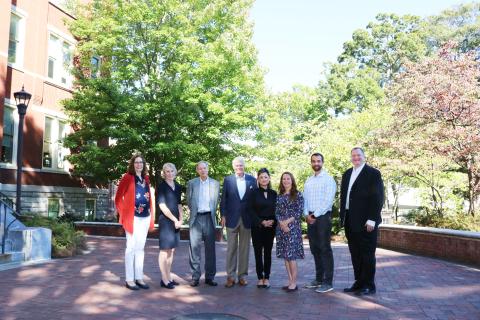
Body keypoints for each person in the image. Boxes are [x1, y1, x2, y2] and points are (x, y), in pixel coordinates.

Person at [340, 147, 384, 296]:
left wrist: (372, 219)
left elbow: (377, 197)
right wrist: (342, 218)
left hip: (367, 222)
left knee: (367, 254)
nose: (356, 158)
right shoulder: (347, 174)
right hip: (350, 221)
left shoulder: (373, 174)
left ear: (364, 156)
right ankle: (359, 283)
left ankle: (369, 285)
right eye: (353, 155)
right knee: (355, 254)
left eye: (358, 155)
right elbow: (344, 198)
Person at [115, 153, 155, 291]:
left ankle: (139, 277)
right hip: (132, 218)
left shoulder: (146, 179)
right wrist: (124, 214)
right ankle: (129, 279)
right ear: (132, 164)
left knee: (140, 249)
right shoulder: (127, 177)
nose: (139, 165)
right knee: (130, 248)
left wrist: (151, 218)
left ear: (144, 165)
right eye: (136, 162)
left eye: (141, 162)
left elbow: (149, 198)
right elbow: (118, 198)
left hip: (145, 217)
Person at [220, 156, 257, 287]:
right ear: (233, 167)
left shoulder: (252, 180)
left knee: (244, 249)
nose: (239, 167)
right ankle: (230, 276)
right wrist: (223, 215)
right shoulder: (228, 180)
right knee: (231, 249)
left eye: (241, 165)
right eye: (237, 165)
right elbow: (223, 199)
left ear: (244, 166)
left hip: (247, 219)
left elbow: (254, 201)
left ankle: (242, 276)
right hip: (231, 218)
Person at [303, 153, 337, 293]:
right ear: (311, 163)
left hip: (322, 217)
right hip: (310, 218)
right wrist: (306, 215)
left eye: (318, 161)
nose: (316, 163)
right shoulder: (309, 180)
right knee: (315, 249)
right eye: (313, 161)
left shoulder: (329, 180)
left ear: (322, 162)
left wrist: (314, 215)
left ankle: (328, 282)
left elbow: (328, 201)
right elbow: (304, 199)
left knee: (324, 248)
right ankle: (318, 279)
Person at [186, 161, 220, 287]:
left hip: (209, 218)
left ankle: (210, 277)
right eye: (200, 169)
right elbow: (189, 201)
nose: (203, 170)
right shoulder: (192, 183)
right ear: (197, 171)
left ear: (208, 169)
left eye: (204, 168)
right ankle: (195, 277)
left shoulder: (215, 184)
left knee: (210, 249)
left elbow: (216, 201)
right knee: (194, 248)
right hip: (196, 219)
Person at [276, 172, 305, 292]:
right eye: (284, 179)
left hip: (292, 228)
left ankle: (294, 282)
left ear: (292, 180)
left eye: (288, 179)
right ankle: (290, 281)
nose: (286, 181)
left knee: (291, 256)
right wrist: (281, 223)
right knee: (285, 256)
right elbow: (276, 212)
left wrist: (286, 222)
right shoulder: (279, 196)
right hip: (281, 229)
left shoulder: (298, 195)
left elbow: (298, 212)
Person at [249, 168, 277, 289]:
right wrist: (261, 222)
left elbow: (278, 210)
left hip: (270, 226)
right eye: (261, 177)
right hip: (257, 226)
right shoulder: (253, 193)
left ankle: (267, 277)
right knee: (258, 252)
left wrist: (273, 221)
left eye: (265, 177)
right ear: (258, 180)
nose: (263, 179)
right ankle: (260, 277)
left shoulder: (274, 193)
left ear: (269, 178)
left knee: (268, 253)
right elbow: (250, 210)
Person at [157, 163, 183, 289]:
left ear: (175, 171)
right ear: (164, 173)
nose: (170, 173)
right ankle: (164, 278)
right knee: (164, 250)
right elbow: (162, 206)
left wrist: (181, 220)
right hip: (166, 222)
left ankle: (169, 276)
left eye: (172, 171)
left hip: (176, 222)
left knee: (171, 250)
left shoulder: (178, 186)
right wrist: (174, 220)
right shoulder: (161, 187)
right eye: (167, 171)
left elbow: (179, 205)